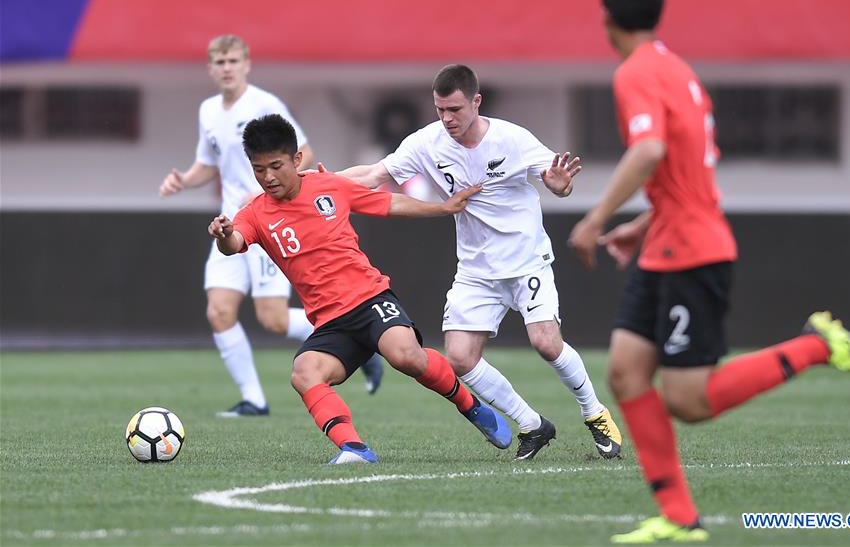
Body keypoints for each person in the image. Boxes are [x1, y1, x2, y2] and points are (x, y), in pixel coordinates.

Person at [568, 0, 850, 543]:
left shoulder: (636, 73)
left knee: (688, 401)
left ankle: (818, 346)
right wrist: (641, 226)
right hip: (667, 241)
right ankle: (678, 517)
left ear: (607, 17)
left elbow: (648, 150)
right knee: (625, 372)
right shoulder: (678, 70)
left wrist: (594, 219)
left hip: (692, 252)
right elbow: (685, 173)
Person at [325, 64, 624, 461]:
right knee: (461, 358)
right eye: (440, 110)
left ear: (476, 102)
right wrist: (325, 183)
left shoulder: (511, 139)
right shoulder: (427, 143)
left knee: (546, 343)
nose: (447, 119)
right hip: (476, 271)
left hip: (525, 262)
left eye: (455, 110)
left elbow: (557, 180)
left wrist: (559, 184)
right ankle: (533, 425)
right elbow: (374, 174)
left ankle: (594, 413)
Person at [208, 113, 511, 464]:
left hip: (369, 299)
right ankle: (355, 449)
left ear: (296, 159)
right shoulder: (255, 213)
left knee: (406, 357)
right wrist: (224, 234)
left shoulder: (329, 185)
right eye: (258, 169)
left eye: (275, 166)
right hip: (331, 323)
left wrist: (442, 208)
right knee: (304, 373)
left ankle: (472, 408)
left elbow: (388, 203)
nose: (268, 177)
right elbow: (234, 242)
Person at [159, 34, 383, 418]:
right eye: (219, 62)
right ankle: (254, 400)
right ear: (210, 68)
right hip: (230, 226)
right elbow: (206, 164)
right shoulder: (208, 111)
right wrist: (183, 180)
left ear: (246, 64)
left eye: (233, 61)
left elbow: (304, 152)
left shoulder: (265, 105)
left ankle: (359, 345)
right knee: (219, 312)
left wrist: (267, 193)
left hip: (270, 222)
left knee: (273, 319)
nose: (227, 68)